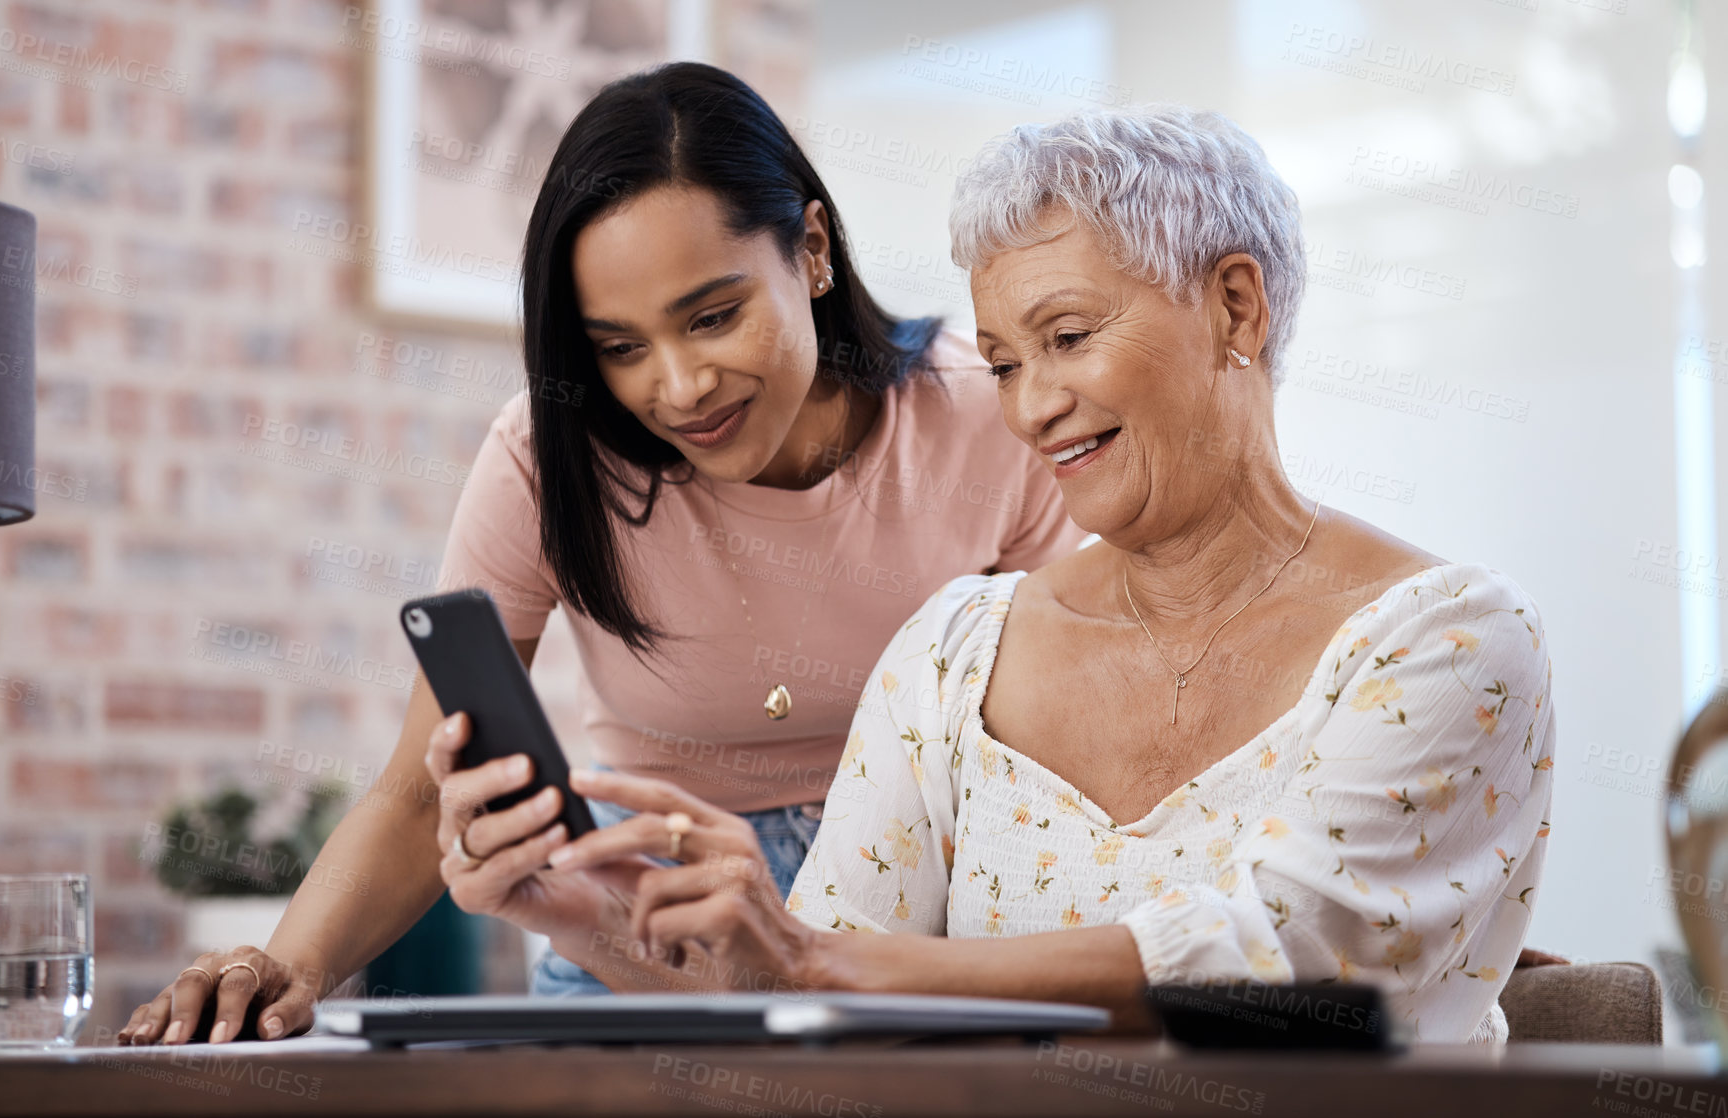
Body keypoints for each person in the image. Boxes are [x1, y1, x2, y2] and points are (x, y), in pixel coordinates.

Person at [429, 106, 1555, 1045]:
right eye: (1006, 362)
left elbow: (1303, 962)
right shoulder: (954, 649)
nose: (1029, 406)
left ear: (1237, 306)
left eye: (1067, 337)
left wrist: (823, 956)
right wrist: (582, 919)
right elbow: (812, 1015)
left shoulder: (1446, 639)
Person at [116, 63, 1084, 1045]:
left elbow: (1063, 748)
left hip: (913, 918)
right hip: (639, 935)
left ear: (814, 248)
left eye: (713, 315)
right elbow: (417, 791)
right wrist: (286, 963)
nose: (679, 385)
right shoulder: (548, 460)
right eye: (619, 346)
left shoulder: (986, 417)